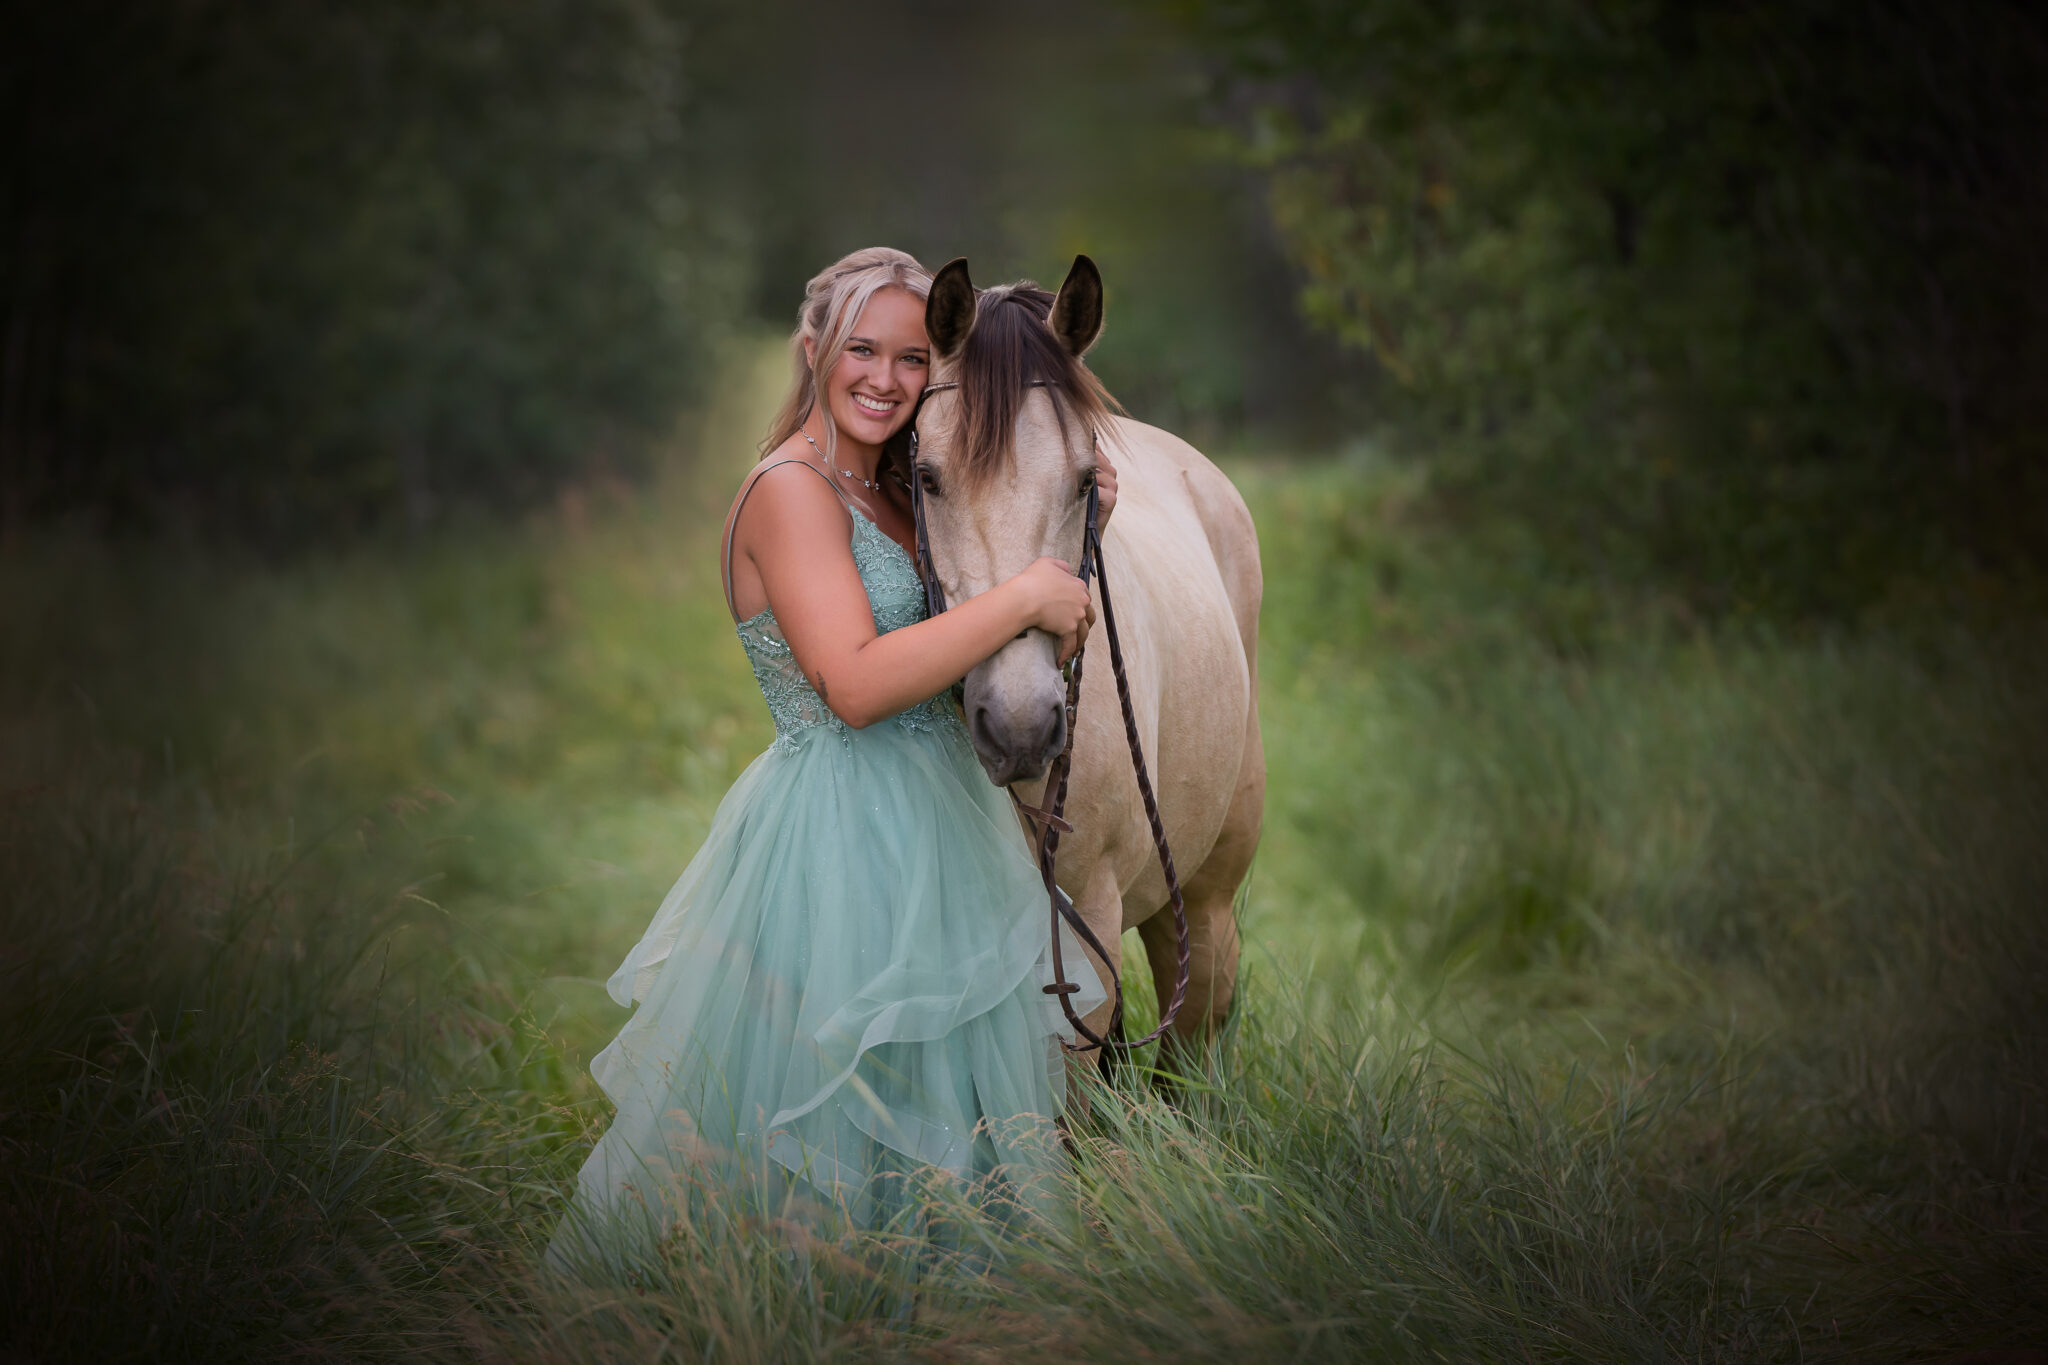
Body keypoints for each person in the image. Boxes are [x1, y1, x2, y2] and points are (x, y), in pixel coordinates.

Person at [547, 247, 1115, 1271]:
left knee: (943, 1104)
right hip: (840, 834)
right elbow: (852, 685)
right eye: (862, 348)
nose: (885, 379)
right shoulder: (790, 494)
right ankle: (794, 1303)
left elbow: (957, 639)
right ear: (813, 351)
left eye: (910, 357)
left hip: (937, 817)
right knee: (831, 1111)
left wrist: (1066, 514)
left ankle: (947, 1311)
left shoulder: (893, 491)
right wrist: (1027, 596)